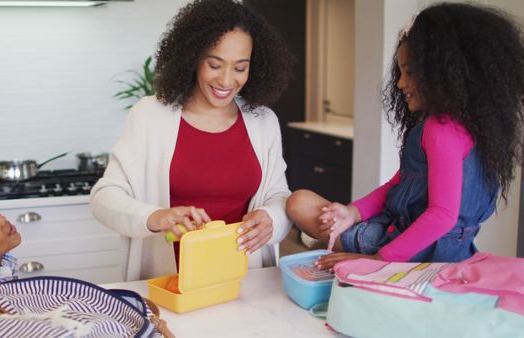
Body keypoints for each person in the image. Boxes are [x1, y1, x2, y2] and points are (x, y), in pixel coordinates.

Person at [287, 2, 524, 271]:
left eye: (409, 72)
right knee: (313, 220)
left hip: (419, 250)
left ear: (444, 72)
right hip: (437, 244)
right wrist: (352, 212)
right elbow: (400, 182)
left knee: (300, 205)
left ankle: (326, 246)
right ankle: (330, 243)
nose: (400, 83)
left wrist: (377, 261)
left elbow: (442, 216)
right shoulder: (476, 129)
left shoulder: (440, 129)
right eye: (400, 72)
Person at [91, 0, 295, 281]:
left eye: (240, 67)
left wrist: (273, 218)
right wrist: (157, 217)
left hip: (243, 281)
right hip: (167, 281)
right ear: (193, 57)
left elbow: (280, 195)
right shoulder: (150, 115)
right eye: (215, 64)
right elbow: (104, 197)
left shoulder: (263, 121)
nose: (226, 80)